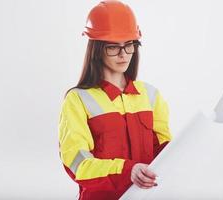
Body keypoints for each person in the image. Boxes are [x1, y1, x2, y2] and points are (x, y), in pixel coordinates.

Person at [58, 0, 172, 199]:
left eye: (129, 45)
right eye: (113, 47)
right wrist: (128, 171)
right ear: (97, 48)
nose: (123, 54)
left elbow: (166, 155)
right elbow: (78, 165)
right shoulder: (77, 99)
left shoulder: (150, 95)